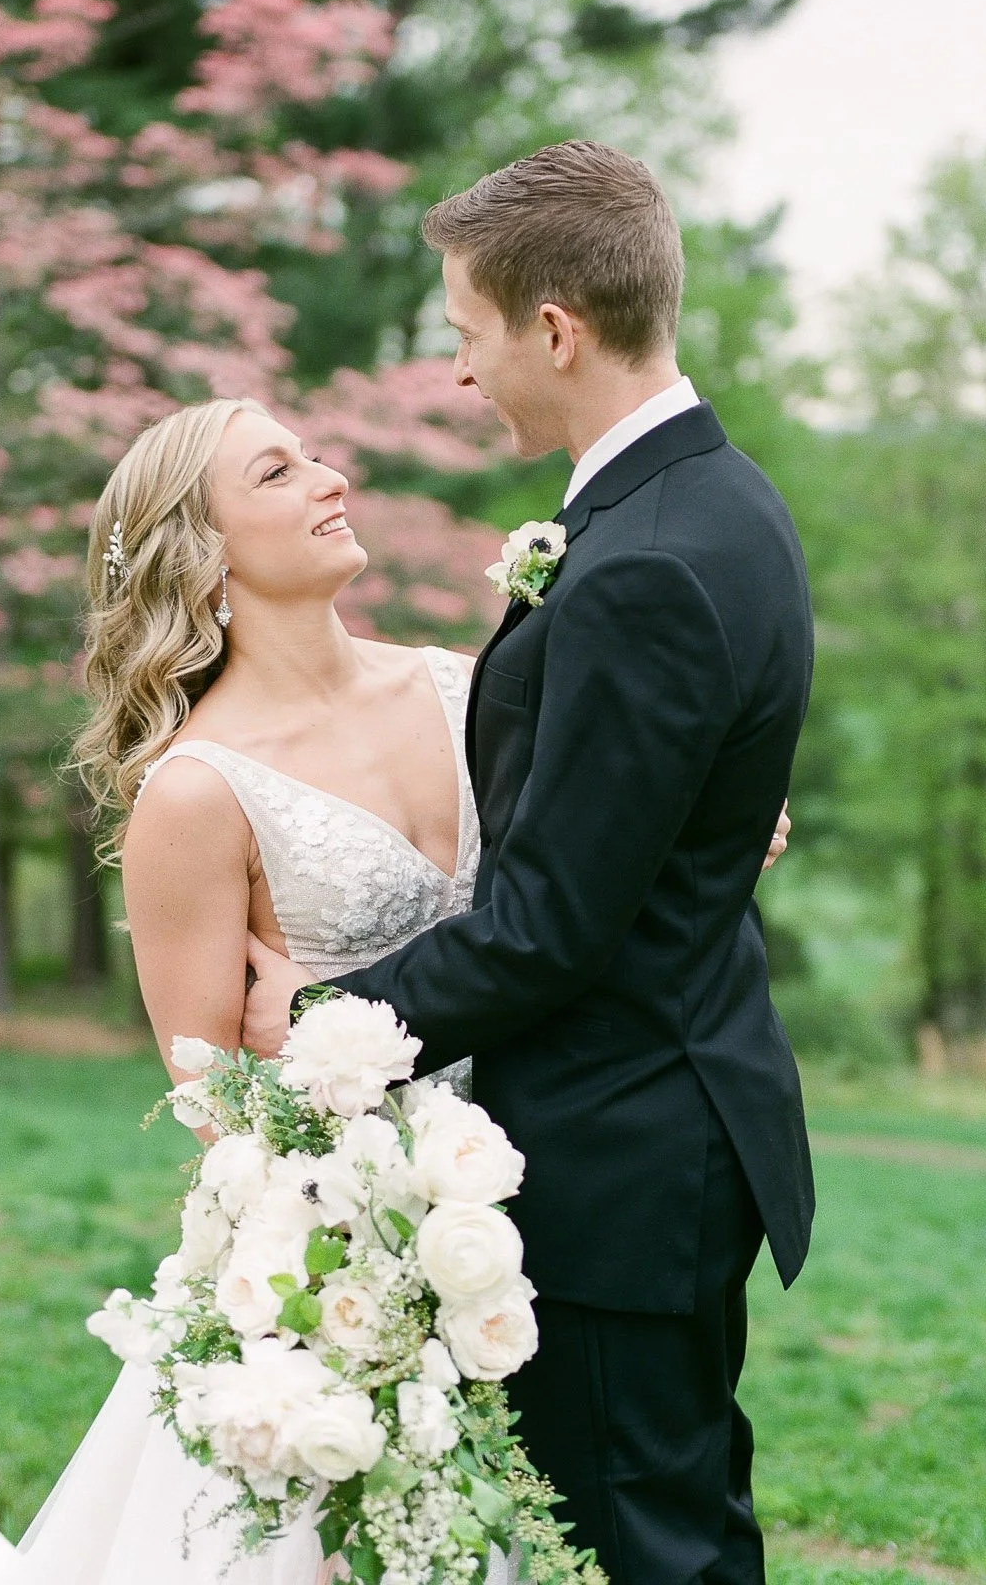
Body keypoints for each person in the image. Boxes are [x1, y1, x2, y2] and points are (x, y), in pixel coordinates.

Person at [0, 153, 794, 1585]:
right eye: (276, 469)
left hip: (546, 1189)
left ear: (551, 329)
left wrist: (711, 828)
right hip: (370, 1245)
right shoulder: (196, 794)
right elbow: (211, 1097)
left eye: (462, 331)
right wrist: (355, 1243)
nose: (332, 471)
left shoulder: (462, 682)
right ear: (202, 557)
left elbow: (588, 849)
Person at [242, 140, 815, 1585]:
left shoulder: (640, 564)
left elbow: (551, 928)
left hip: (624, 1150)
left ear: (551, 327)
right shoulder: (704, 504)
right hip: (662, 1115)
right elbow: (631, 816)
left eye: (464, 334)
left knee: (641, 1547)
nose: (456, 372)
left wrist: (314, 1029)